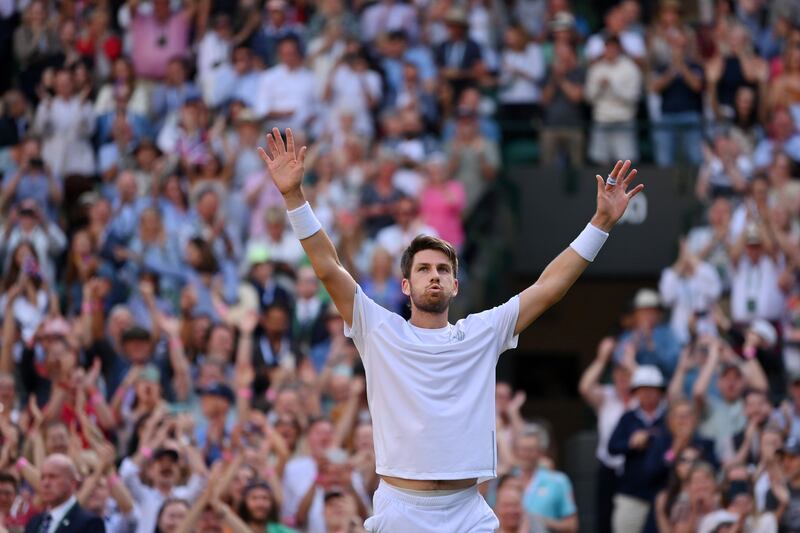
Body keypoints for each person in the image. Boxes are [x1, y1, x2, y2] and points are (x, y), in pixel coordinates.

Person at [258, 127, 643, 531]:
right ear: (406, 286)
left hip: (467, 512)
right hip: (400, 510)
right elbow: (328, 268)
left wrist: (600, 223)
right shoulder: (377, 328)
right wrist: (293, 197)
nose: (434, 276)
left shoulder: (482, 332)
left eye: (443, 269)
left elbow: (549, 287)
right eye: (423, 269)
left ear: (456, 286)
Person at [25, 454, 105, 533]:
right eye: (43, 477)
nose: (46, 483)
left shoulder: (90, 524)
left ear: (72, 483)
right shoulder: (34, 522)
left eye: (53, 477)